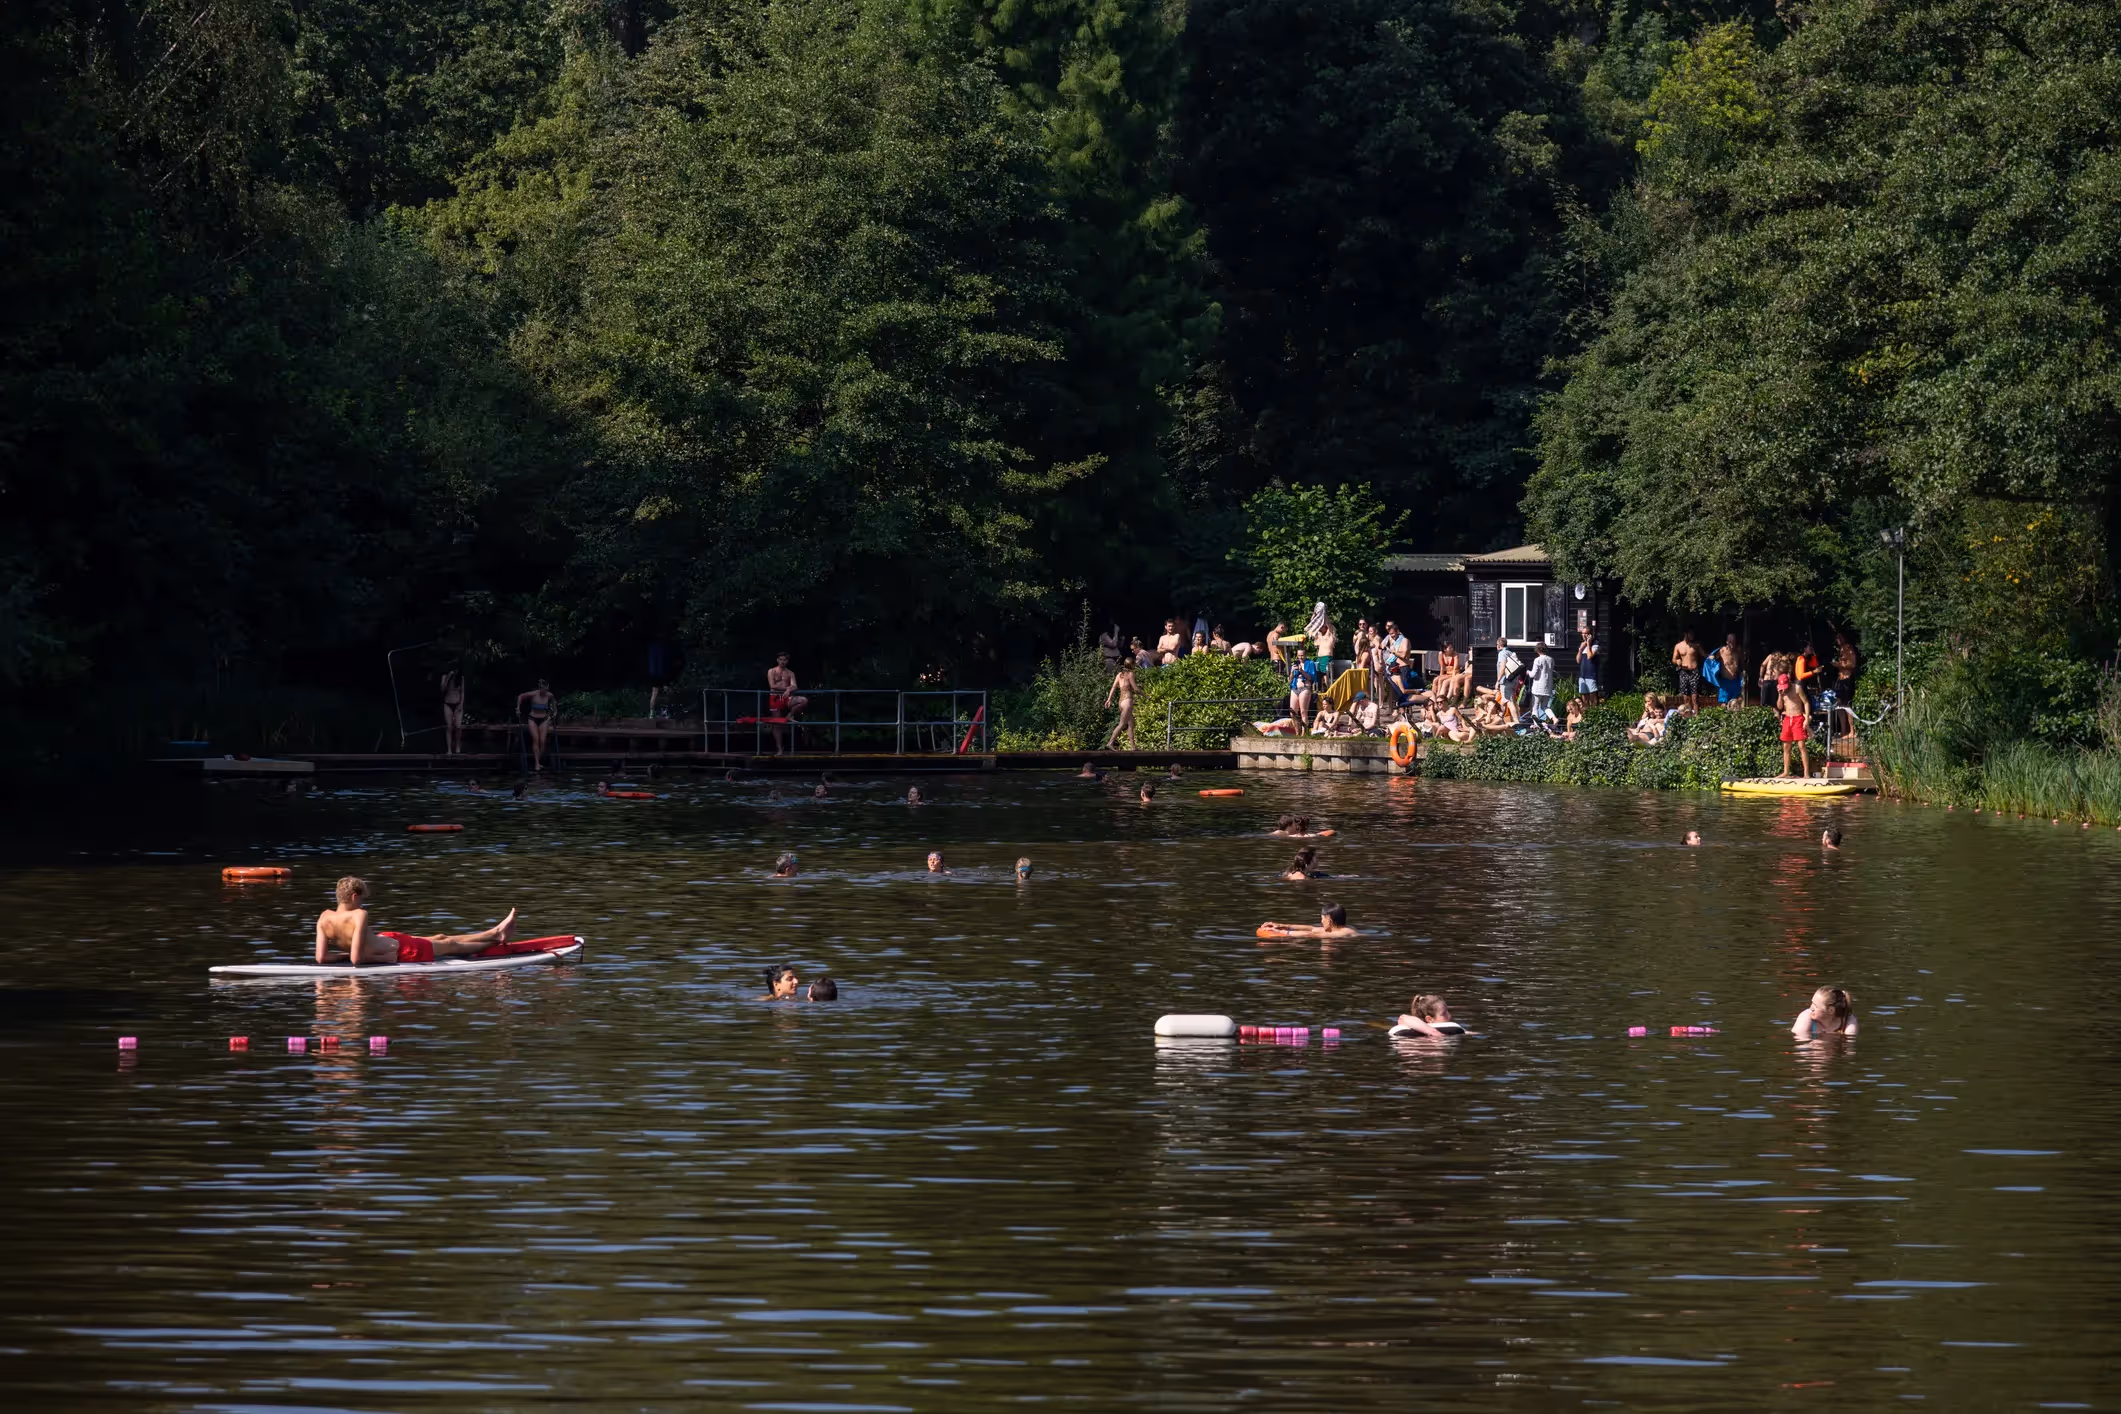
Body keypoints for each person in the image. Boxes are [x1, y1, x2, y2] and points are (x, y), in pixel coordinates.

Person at [314, 876, 518, 968]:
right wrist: (385, 960)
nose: (362, 903)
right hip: (403, 952)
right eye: (362, 899)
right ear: (353, 896)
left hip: (389, 939)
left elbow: (321, 958)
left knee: (440, 937)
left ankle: (495, 931)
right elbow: (357, 960)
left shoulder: (324, 917)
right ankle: (495, 939)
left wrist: (342, 955)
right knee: (449, 944)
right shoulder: (359, 915)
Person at [766, 652, 809, 755]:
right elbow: (772, 685)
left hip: (787, 697)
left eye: (784, 660)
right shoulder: (772, 671)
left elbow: (795, 686)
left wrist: (789, 691)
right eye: (780, 659)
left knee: (803, 700)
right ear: (777, 660)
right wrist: (787, 689)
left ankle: (789, 715)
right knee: (777, 724)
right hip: (775, 697)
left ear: (787, 661)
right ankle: (780, 749)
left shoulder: (790, 673)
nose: (782, 661)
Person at [515, 679, 557, 771]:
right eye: (542, 689)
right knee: (536, 739)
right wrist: (518, 708)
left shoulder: (549, 695)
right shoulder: (533, 694)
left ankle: (538, 760)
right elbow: (521, 696)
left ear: (547, 687)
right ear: (540, 688)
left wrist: (555, 711)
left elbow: (554, 701)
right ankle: (537, 764)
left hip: (544, 719)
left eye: (545, 689)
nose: (544, 691)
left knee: (542, 741)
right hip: (532, 718)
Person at [1777, 671, 1812, 778]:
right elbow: (1779, 707)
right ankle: (1786, 771)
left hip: (1798, 718)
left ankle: (1806, 772)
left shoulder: (1797, 688)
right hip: (1788, 719)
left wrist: (1806, 718)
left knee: (1801, 745)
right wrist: (1779, 695)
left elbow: (1806, 702)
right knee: (1786, 746)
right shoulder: (1782, 691)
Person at [1257, 902, 1359, 938]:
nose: (1321, 921)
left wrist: (1282, 932)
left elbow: (1311, 934)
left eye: (1322, 919)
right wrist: (1281, 925)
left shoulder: (1342, 933)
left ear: (1329, 921)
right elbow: (1311, 929)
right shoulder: (1337, 928)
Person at [1791, 985, 1857, 1038]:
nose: (1811, 1008)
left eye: (1816, 1006)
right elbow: (1801, 1046)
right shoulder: (1805, 1017)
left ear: (1831, 1010)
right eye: (1812, 1003)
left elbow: (1848, 1047)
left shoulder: (1847, 1021)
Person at [1391, 993, 1467, 1038]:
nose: (1449, 1015)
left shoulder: (1455, 1030)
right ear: (1429, 1019)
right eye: (1444, 1014)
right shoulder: (1414, 1026)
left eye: (1448, 1011)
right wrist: (1434, 1033)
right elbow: (1403, 1018)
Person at [1102, 661, 1138, 750]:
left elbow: (1114, 687)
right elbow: (1135, 688)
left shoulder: (1119, 675)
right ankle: (1110, 743)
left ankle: (1133, 746)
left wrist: (1109, 699)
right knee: (1122, 723)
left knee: (1131, 723)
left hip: (1121, 701)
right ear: (1132, 665)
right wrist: (1146, 696)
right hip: (1127, 701)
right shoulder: (1130, 674)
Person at [1672, 630, 1705, 714]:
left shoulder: (1696, 645)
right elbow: (1674, 659)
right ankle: (1687, 715)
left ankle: (1696, 716)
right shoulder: (1678, 646)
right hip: (1684, 672)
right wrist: (1677, 661)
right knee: (1686, 696)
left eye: (1693, 634)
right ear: (1685, 634)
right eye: (1690, 634)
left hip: (1694, 672)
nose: (1692, 636)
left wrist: (1712, 656)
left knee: (1695, 697)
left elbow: (1704, 654)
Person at [1527, 641, 1556, 722]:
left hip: (1538, 687)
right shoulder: (1551, 659)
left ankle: (1536, 725)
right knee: (1545, 706)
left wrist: (1528, 672)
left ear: (1537, 650)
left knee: (1535, 707)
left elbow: (1533, 674)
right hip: (1548, 687)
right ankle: (1554, 718)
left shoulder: (1537, 660)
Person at [441, 668, 466, 755]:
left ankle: (458, 745)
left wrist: (461, 704)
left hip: (458, 704)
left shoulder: (461, 678)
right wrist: (448, 677)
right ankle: (449, 749)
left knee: (458, 726)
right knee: (449, 727)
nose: (455, 671)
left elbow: (462, 692)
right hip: (447, 704)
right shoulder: (445, 676)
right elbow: (442, 689)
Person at [1717, 633, 1744, 710]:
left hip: (1735, 681)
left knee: (1735, 703)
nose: (1732, 643)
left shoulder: (1738, 652)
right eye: (1730, 641)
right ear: (1727, 642)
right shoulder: (1721, 651)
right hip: (1725, 681)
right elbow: (1712, 660)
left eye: (1733, 641)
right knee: (1724, 702)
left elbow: (1742, 664)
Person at [1575, 632, 1600, 707]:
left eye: (1586, 633)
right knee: (1584, 698)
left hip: (1591, 675)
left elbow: (1589, 656)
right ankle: (1586, 714)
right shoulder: (1582, 644)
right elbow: (1578, 660)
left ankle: (1594, 713)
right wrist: (1580, 649)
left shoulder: (1595, 644)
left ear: (1590, 634)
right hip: (1582, 675)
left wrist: (1588, 644)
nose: (1584, 635)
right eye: (1582, 633)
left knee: (1593, 697)